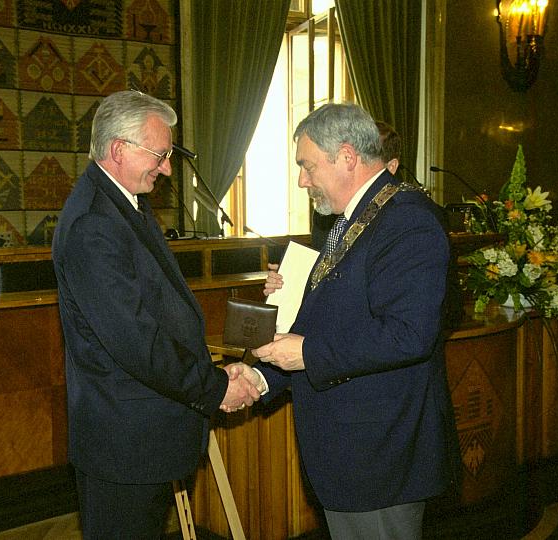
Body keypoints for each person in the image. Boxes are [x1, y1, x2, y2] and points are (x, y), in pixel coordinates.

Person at [52, 90, 263, 538]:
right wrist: (214, 387)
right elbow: (136, 342)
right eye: (160, 154)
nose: (167, 168)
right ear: (118, 150)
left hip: (140, 433)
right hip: (124, 440)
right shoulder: (94, 224)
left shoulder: (122, 203)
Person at [252, 103, 458, 538]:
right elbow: (333, 316)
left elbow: (408, 334)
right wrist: (263, 376)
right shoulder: (354, 219)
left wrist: (305, 351)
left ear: (347, 156)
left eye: (307, 166)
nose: (302, 179)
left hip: (383, 452)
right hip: (352, 451)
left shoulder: (407, 220)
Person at [311, 120, 402, 249]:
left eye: (366, 160)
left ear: (391, 167)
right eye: (348, 158)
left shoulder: (400, 217)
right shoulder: (329, 206)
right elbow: (320, 258)